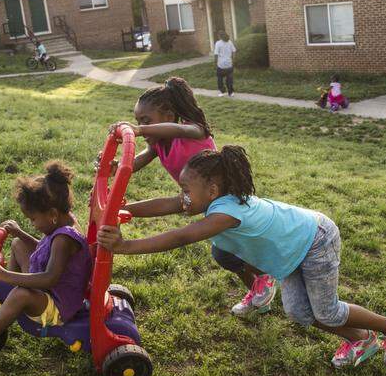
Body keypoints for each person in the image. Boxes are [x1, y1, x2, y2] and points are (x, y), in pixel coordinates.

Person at [96, 146, 386, 369]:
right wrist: (126, 210)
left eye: (186, 189)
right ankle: (362, 340)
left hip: (315, 240)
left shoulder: (225, 213)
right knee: (300, 313)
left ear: (212, 189)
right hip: (292, 252)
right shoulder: (214, 199)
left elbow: (181, 236)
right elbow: (169, 203)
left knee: (328, 311)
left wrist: (125, 247)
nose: (181, 196)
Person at [103, 78, 278, 318]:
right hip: (205, 203)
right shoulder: (158, 145)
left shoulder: (193, 130)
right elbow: (136, 163)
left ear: (169, 114)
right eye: (138, 121)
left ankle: (265, 274)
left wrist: (141, 130)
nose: (142, 126)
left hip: (231, 203)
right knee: (224, 254)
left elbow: (180, 129)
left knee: (240, 248)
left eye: (146, 120)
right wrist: (118, 169)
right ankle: (258, 292)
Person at [0, 161, 92, 367]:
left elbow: (50, 277)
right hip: (50, 288)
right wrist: (21, 233)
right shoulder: (62, 222)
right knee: (17, 244)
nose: (32, 224)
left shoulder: (64, 240)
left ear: (52, 215)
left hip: (58, 305)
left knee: (21, 294)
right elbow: (44, 248)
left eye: (32, 219)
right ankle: (8, 301)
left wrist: (4, 275)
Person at [213, 31, 237, 97]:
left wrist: (215, 63)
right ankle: (231, 92)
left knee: (220, 79)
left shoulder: (218, 43)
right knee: (229, 80)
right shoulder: (230, 42)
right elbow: (234, 51)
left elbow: (216, 54)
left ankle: (222, 92)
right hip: (229, 64)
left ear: (219, 36)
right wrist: (233, 60)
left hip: (221, 65)